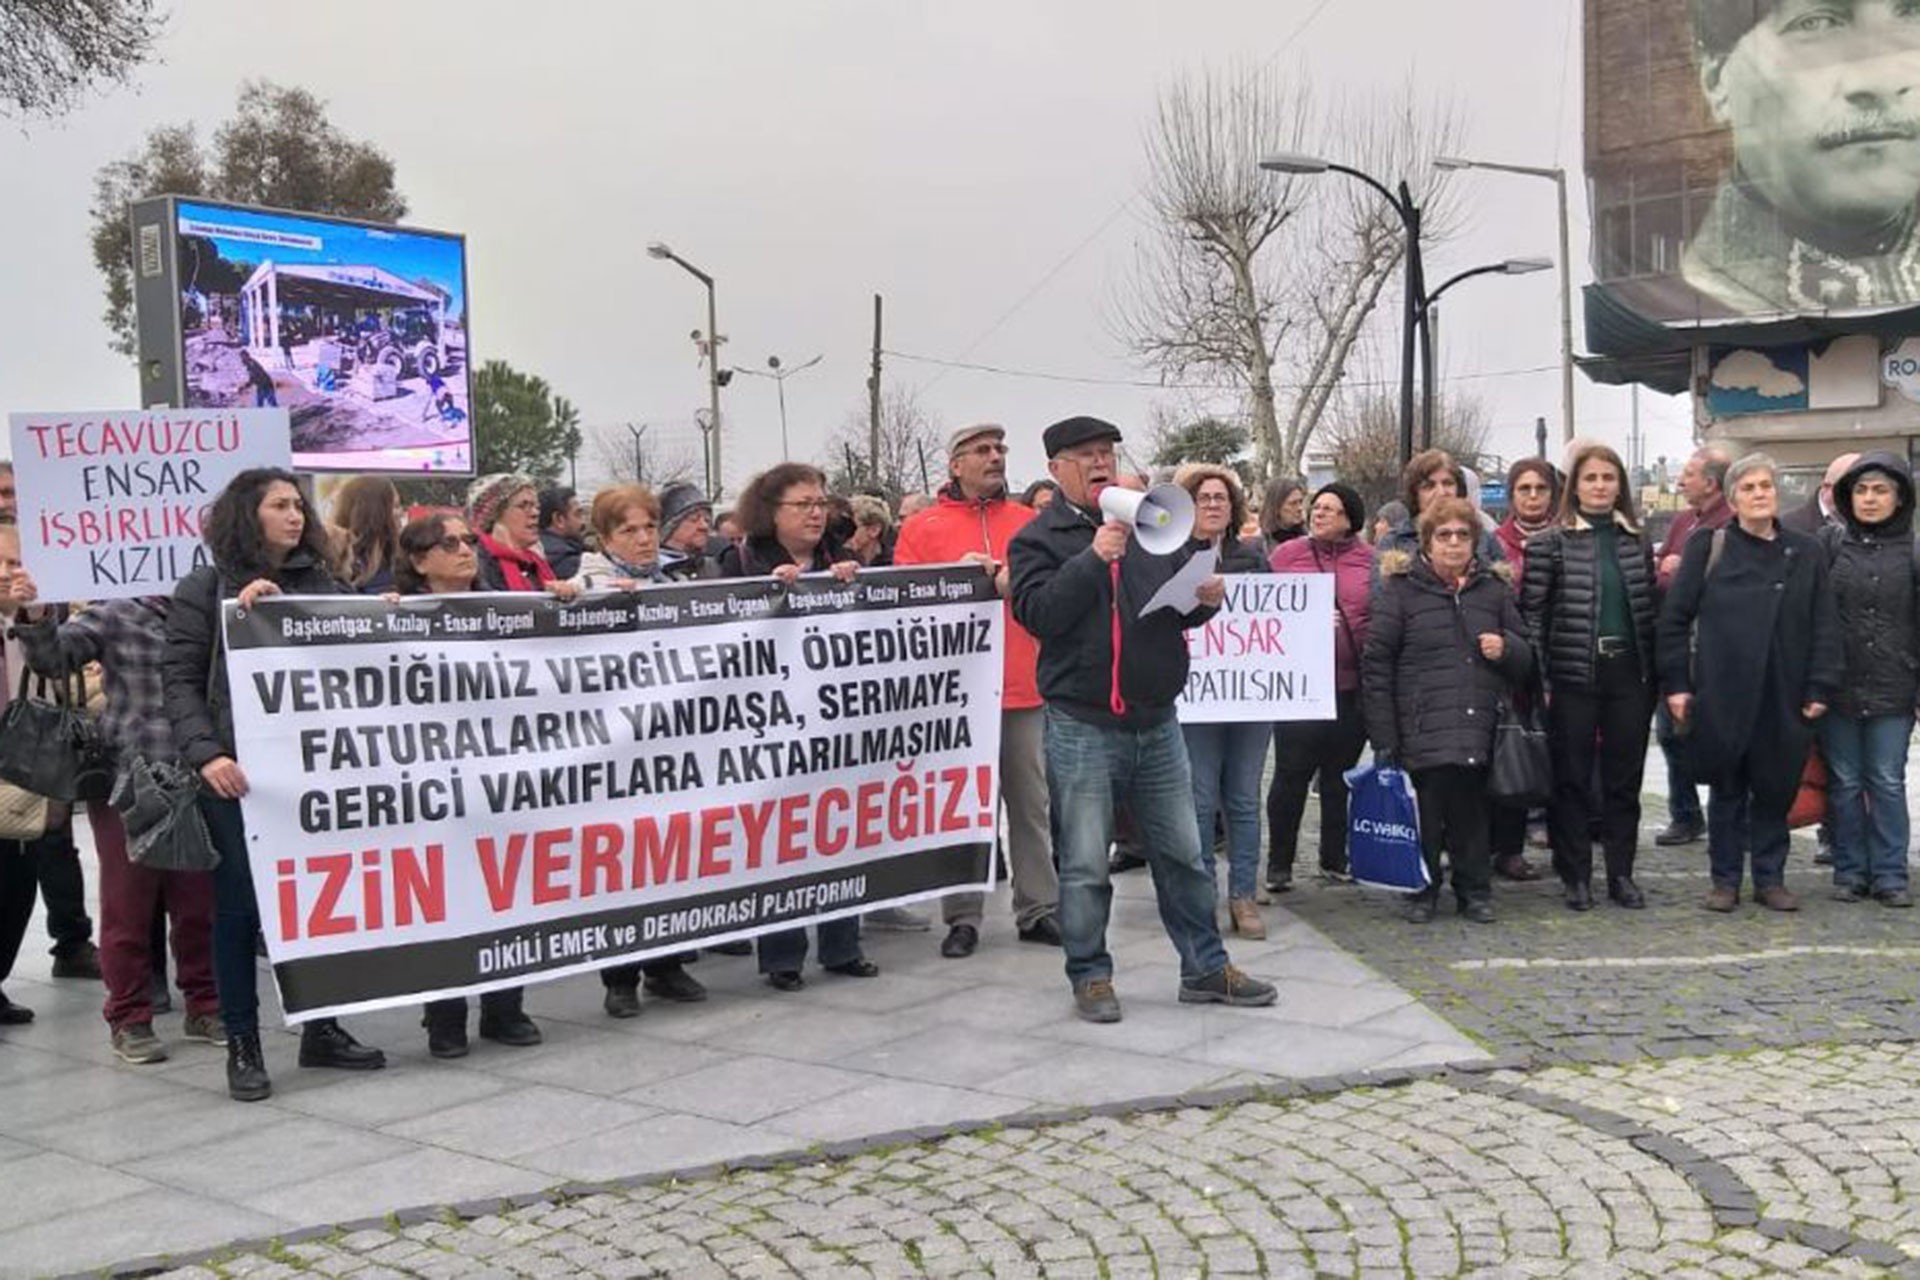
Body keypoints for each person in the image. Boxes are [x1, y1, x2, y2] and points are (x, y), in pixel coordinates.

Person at [1009, 415, 1276, 1023]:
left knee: (1183, 854)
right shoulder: (1038, 539)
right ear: (1056, 470)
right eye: (1084, 455)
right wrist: (1090, 560)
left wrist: (1202, 604)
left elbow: (1168, 615)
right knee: (1082, 863)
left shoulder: (1150, 525)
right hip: (1083, 725)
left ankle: (1205, 967)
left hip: (1157, 721)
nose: (1100, 462)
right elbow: (1039, 615)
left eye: (1106, 451)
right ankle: (1091, 975)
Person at [162, 468, 386, 1101]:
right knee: (237, 911)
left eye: (299, 506)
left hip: (312, 773)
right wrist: (207, 755)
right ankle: (243, 1043)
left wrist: (391, 615)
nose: (295, 516)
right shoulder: (205, 589)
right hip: (236, 778)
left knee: (318, 902)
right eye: (280, 506)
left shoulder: (318, 581)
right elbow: (177, 680)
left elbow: (358, 649)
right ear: (247, 516)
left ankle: (322, 1027)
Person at [9, 570, 223, 1064]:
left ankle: (204, 1004)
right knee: (129, 902)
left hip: (201, 775)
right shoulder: (118, 611)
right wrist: (37, 616)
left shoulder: (214, 613)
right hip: (130, 776)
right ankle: (128, 1016)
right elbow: (51, 659)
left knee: (198, 905)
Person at [892, 424, 1061, 957]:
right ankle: (962, 916)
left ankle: (1039, 908)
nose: (995, 458)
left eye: (1000, 450)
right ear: (955, 465)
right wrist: (948, 577)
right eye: (982, 451)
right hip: (955, 695)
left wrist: (1019, 579)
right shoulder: (923, 528)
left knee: (1030, 804)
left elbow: (1055, 589)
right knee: (965, 807)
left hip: (1021, 685)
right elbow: (901, 601)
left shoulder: (1030, 523)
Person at [1657, 453, 1844, 913]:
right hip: (1723, 690)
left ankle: (1770, 878)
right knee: (1726, 790)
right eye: (1749, 488)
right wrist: (1678, 685)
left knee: (1775, 789)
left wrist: (1821, 687)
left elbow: (1825, 624)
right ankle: (1724, 880)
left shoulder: (1805, 551)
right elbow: (1674, 621)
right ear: (1733, 498)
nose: (1760, 494)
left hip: (1785, 691)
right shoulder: (1709, 546)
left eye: (1766, 486)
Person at [386, 513, 544, 1056]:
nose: (463, 550)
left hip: (503, 776)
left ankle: (505, 1009)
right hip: (437, 782)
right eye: (447, 543)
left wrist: (573, 600)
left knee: (507, 889)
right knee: (446, 896)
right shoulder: (391, 612)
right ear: (417, 560)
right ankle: (445, 1016)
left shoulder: (510, 609)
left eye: (469, 541)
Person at [721, 464, 879, 992]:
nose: (816, 512)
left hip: (836, 721)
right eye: (802, 504)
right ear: (771, 513)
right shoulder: (738, 561)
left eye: (820, 502)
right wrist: (759, 595)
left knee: (840, 830)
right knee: (783, 838)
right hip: (774, 726)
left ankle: (842, 944)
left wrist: (854, 587)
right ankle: (783, 955)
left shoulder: (842, 558)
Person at [566, 486, 713, 1011]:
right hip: (612, 748)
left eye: (649, 527)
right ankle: (620, 979)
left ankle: (667, 964)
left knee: (670, 852)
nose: (644, 538)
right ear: (605, 538)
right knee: (620, 861)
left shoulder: (674, 581)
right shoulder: (585, 586)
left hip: (670, 742)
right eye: (629, 530)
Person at [1683, 0, 1920, 314]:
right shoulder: (1691, 304)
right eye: (1815, 23)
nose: (1882, 81)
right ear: (1717, 83)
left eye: (1912, 13)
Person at [1364, 497, 1533, 924]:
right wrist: (1385, 734)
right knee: (1426, 813)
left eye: (1463, 536)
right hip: (1420, 724)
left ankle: (1474, 890)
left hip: (1478, 721)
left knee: (1472, 815)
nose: (1454, 544)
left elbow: (1527, 655)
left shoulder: (1493, 592)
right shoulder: (1400, 592)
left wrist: (1507, 648)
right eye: (1444, 536)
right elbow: (1378, 664)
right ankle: (1421, 890)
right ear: (1427, 542)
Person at [1520, 443, 1660, 912]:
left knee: (1624, 780)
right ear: (1574, 487)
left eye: (1608, 478)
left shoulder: (1635, 539)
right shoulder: (1548, 543)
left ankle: (1621, 873)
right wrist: (1540, 678)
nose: (1600, 486)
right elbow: (1533, 616)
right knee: (1573, 779)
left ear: (1620, 485)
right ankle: (1575, 874)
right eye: (1591, 478)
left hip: (1629, 674)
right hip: (1572, 674)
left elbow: (1648, 610)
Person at [1814, 453, 1919, 907]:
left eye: (1880, 490)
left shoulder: (1914, 550)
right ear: (1846, 497)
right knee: (1845, 781)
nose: (1870, 499)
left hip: (1895, 685)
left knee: (1887, 780)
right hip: (1838, 686)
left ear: (1898, 499)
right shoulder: (1828, 545)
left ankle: (1891, 873)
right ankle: (1851, 870)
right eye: (1861, 490)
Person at [1175, 465, 1272, 938]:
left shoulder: (1252, 556)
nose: (1213, 504)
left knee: (1243, 800)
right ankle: (1200, 896)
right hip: (1195, 701)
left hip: (1251, 701)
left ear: (1233, 508)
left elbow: (1280, 610)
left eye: (1221, 498)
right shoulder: (1168, 555)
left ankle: (1244, 896)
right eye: (1203, 497)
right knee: (1197, 799)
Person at [1266, 484, 1373, 894]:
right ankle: (1280, 863)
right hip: (1300, 688)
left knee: (1338, 777)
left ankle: (1334, 857)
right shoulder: (1285, 557)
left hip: (1351, 688)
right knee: (1291, 775)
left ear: (1351, 518)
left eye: (1331, 508)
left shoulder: (1370, 562)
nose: (1319, 514)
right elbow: (1265, 611)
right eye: (1317, 507)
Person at [1652, 444, 1736, 846]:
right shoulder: (1683, 521)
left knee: (1716, 735)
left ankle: (1729, 817)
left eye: (1689, 474)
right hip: (1675, 644)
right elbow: (1661, 574)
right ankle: (1685, 814)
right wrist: (1670, 570)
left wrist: (1678, 569)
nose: (1681, 481)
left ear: (1711, 483)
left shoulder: (1729, 525)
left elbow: (1699, 580)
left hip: (1714, 647)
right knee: (1670, 733)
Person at [1489, 458, 1559, 881]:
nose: (1533, 497)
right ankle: (1502, 844)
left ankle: (1545, 835)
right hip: (1508, 659)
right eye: (1524, 489)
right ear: (1512, 495)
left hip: (1558, 657)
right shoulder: (1495, 542)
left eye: (1541, 489)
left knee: (1545, 752)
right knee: (1506, 749)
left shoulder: (1567, 538)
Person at [1373, 450, 1505, 586]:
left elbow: (1502, 594)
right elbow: (1382, 599)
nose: (1441, 493)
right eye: (1429, 486)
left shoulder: (1485, 540)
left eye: (1448, 483)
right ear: (1415, 494)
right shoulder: (1394, 542)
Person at [469, 474, 559, 592]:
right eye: (523, 506)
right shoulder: (477, 563)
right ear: (495, 515)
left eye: (536, 507)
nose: (535, 513)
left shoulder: (535, 562)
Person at [325, 475, 402, 593]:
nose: (400, 513)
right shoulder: (339, 558)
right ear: (375, 511)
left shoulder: (400, 558)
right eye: (395, 506)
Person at [1784, 453, 1861, 535]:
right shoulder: (1789, 527)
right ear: (1827, 487)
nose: (1866, 498)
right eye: (1857, 490)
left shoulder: (1871, 524)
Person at [657, 482, 721, 581]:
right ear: (670, 526)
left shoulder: (712, 568)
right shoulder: (650, 571)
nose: (704, 526)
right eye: (694, 519)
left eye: (707, 520)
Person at [537, 486, 587, 579]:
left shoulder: (535, 552)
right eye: (578, 514)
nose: (583, 522)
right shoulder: (570, 563)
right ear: (559, 519)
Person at [1258, 478, 1308, 551]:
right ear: (1276, 507)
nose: (1300, 508)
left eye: (1300, 502)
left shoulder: (1309, 540)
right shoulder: (1261, 546)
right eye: (1293, 503)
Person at [846, 495, 893, 566]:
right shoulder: (835, 559)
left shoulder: (896, 563)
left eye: (852, 528)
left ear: (874, 530)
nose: (845, 535)